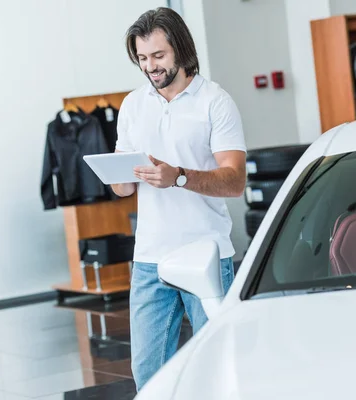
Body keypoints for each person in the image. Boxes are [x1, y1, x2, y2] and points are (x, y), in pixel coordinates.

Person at [111, 7, 247, 390]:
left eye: (158, 56)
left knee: (213, 368)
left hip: (205, 253)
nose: (150, 66)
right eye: (142, 58)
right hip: (149, 259)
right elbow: (123, 186)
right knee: (148, 374)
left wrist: (180, 176)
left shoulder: (215, 102)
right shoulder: (133, 105)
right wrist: (119, 180)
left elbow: (235, 181)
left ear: (181, 51)